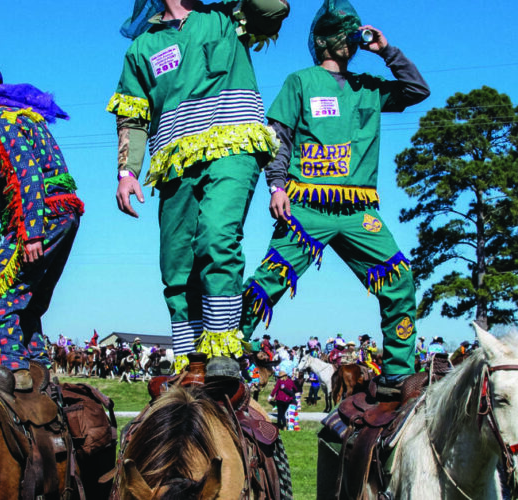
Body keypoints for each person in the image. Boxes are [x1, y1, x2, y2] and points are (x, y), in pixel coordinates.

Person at [240, 0, 429, 402]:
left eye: (353, 31)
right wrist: (276, 186)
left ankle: (398, 375)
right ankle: (224, 350)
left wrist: (386, 51)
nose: (350, 38)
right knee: (269, 280)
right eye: (343, 31)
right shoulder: (300, 82)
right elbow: (278, 138)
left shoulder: (369, 88)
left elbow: (417, 89)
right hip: (306, 204)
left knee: (399, 279)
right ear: (324, 38)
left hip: (359, 211)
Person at [107, 0, 290, 371]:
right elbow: (133, 117)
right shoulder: (143, 47)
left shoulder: (228, 17)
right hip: (174, 161)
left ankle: (223, 350)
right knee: (177, 263)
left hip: (234, 145)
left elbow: (274, 9)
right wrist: (127, 173)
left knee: (216, 235)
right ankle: (191, 361)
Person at [0, 48, 84, 391]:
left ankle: (13, 373)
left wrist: (32, 234)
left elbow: (29, 178)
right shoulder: (27, 119)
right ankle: (38, 367)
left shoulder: (4, 124)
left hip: (43, 215)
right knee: (30, 298)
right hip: (64, 213)